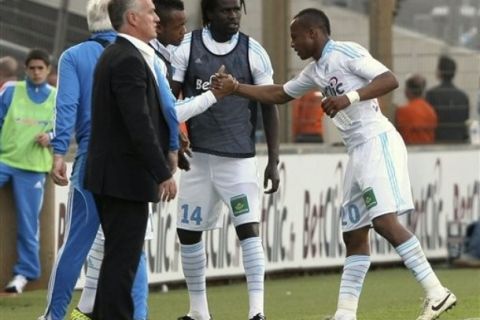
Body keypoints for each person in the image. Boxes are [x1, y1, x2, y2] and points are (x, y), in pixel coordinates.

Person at [214, 8, 457, 320]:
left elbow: (389, 79)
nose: (292, 44)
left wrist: (350, 98)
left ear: (313, 33)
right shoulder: (315, 70)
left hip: (376, 140)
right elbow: (278, 94)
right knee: (354, 233)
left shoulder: (346, 53)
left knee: (383, 221)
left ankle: (436, 292)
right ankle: (345, 313)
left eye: (295, 36)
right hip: (357, 151)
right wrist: (236, 88)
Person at [38, 1, 151, 319]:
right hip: (132, 162)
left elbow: (67, 105)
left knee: (75, 244)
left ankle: (54, 315)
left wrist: (59, 152)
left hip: (93, 157)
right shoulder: (139, 54)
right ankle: (139, 315)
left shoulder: (74, 56)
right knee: (132, 247)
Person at [170, 1, 280, 319]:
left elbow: (270, 103)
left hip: (239, 159)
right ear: (208, 15)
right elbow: (169, 96)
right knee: (187, 232)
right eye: (225, 10)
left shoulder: (253, 50)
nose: (233, 16)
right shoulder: (187, 46)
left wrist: (273, 160)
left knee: (248, 229)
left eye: (236, 10)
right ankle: (199, 312)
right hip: (198, 159)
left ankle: (257, 313)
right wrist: (174, 136)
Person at [0, 48, 55, 294]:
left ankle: (25, 273)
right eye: (31, 68)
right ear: (26, 69)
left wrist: (52, 136)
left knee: (28, 222)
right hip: (4, 159)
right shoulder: (11, 90)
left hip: (33, 167)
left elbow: (69, 127)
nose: (35, 72)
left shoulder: (56, 97)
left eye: (40, 68)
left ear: (48, 70)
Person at [425, 55, 469, 143]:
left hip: (438, 142)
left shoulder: (431, 94)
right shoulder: (463, 96)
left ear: (440, 72)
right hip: (459, 142)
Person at [395, 74, 438, 144]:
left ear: (407, 91)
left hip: (410, 149)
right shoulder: (431, 110)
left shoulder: (403, 111)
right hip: (428, 149)